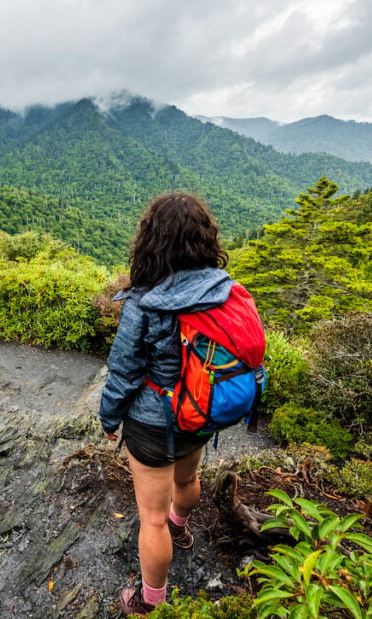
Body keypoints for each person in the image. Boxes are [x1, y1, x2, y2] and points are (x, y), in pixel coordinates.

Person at [99, 192, 235, 615]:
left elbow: (123, 372)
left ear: (150, 241)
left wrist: (109, 417)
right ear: (204, 239)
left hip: (151, 422)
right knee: (185, 480)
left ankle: (147, 601)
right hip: (199, 411)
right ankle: (182, 527)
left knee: (150, 518)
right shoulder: (222, 291)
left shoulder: (143, 301)